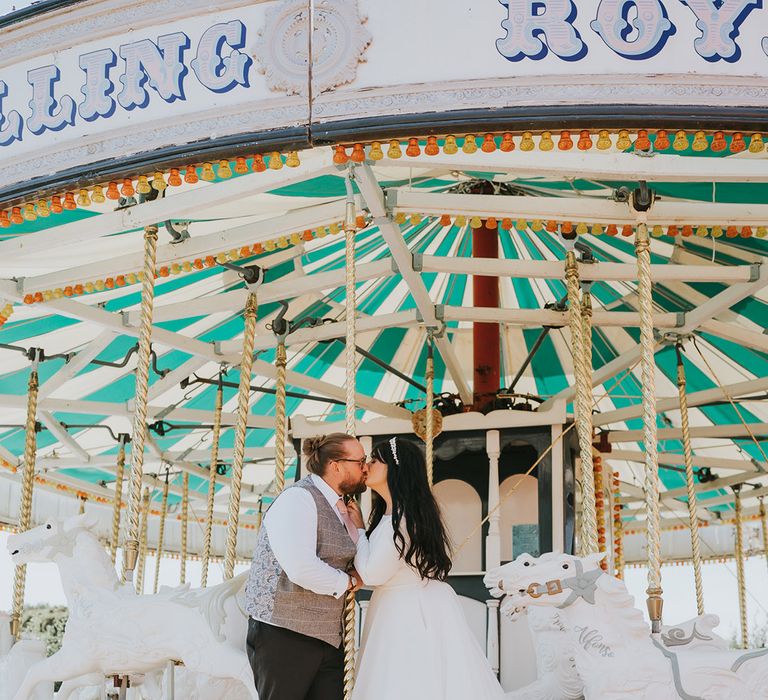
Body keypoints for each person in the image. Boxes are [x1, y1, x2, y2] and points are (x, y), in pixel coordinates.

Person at [347, 436, 506, 700]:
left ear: (394, 469)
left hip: (405, 609)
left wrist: (359, 530)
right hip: (396, 604)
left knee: (407, 679)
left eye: (375, 460)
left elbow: (373, 573)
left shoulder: (402, 519)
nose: (367, 466)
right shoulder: (392, 514)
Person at [244, 432, 368, 700]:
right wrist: (347, 583)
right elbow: (301, 567)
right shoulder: (298, 499)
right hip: (286, 634)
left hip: (327, 636)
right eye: (360, 461)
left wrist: (358, 528)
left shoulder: (340, 507)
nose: (365, 468)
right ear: (335, 466)